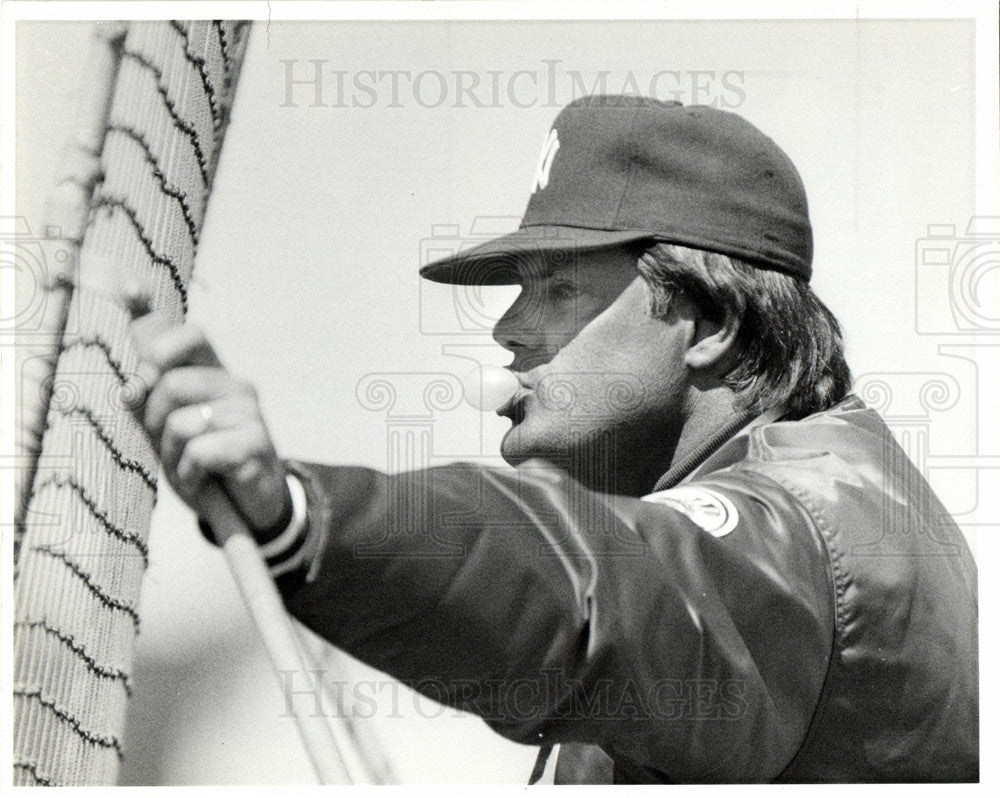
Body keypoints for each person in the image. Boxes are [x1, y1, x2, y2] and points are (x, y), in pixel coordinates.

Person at [126, 95, 978, 783]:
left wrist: (303, 518)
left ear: (709, 319)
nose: (508, 328)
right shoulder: (839, 504)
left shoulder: (811, 530)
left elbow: (590, 582)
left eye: (559, 289)